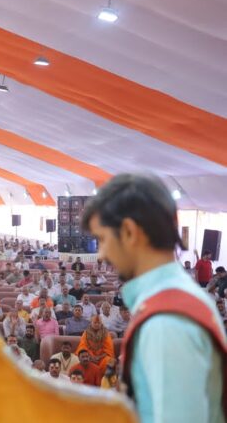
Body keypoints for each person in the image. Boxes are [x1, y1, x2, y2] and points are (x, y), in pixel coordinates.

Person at [82, 173, 226, 422]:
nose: (101, 255)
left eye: (102, 239)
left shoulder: (166, 324)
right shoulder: (182, 298)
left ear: (129, 231)